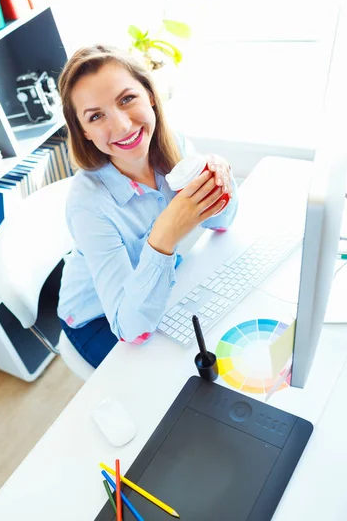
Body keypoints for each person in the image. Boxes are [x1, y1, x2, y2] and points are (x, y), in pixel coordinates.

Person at [57, 45, 238, 368]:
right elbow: (132, 330)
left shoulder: (173, 143)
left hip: (152, 291)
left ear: (150, 95)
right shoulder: (88, 206)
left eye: (127, 99)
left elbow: (221, 222)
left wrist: (220, 175)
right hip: (98, 320)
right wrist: (164, 237)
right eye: (96, 116)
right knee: (176, 381)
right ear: (84, 131)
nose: (124, 126)